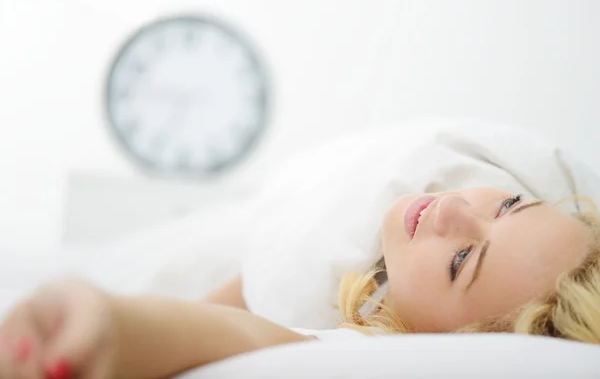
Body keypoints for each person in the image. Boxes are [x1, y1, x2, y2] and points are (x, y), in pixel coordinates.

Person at [1, 188, 599, 378]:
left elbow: (255, 342)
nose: (451, 212)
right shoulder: (336, 275)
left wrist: (119, 328)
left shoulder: (372, 353)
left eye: (461, 260)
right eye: (512, 203)